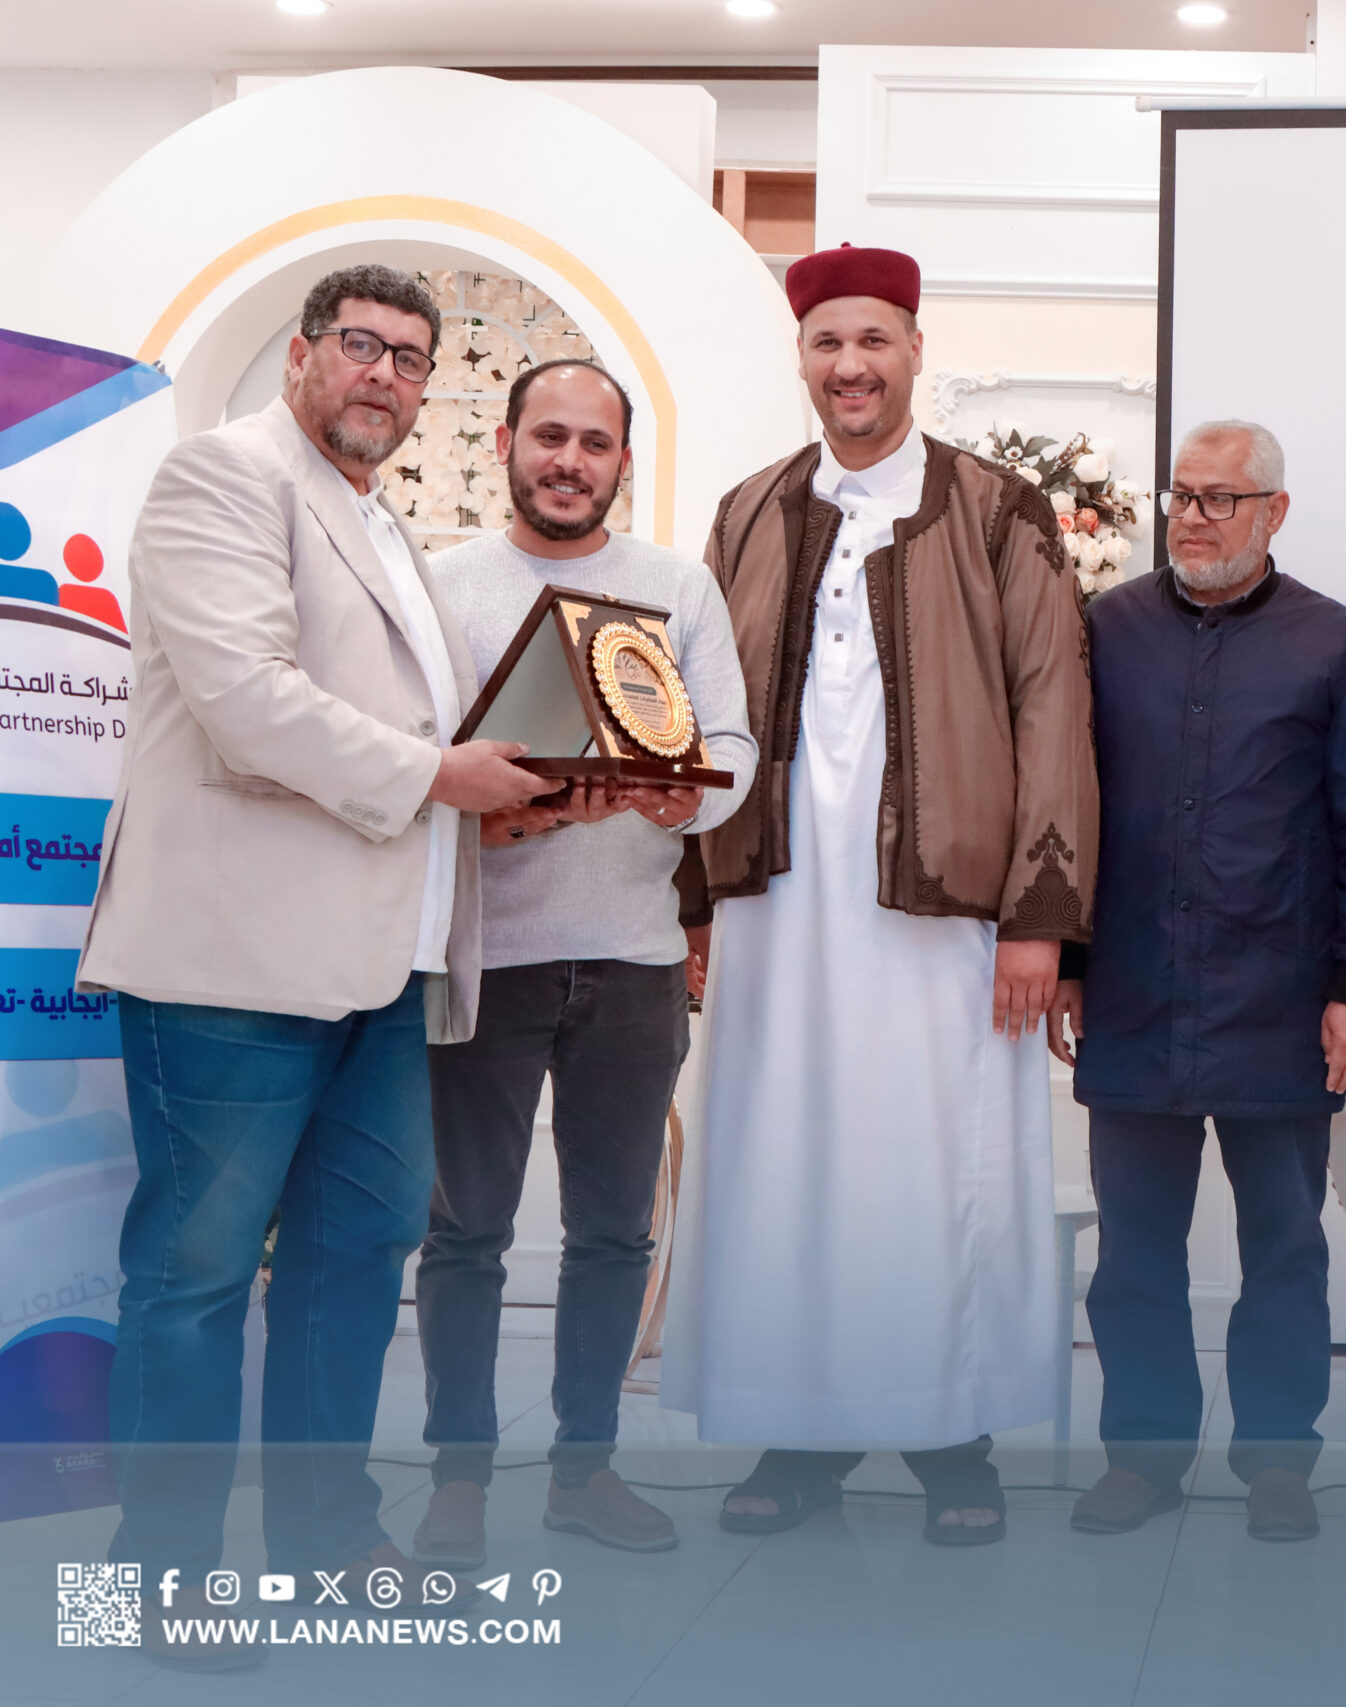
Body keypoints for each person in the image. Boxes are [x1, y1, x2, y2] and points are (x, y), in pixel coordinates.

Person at [77, 264, 548, 1669]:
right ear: (300, 355)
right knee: (197, 1278)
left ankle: (329, 1539)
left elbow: (409, 735)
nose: (384, 374)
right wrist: (444, 776)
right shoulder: (225, 478)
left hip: (381, 971)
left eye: (411, 358)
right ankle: (159, 1575)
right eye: (360, 345)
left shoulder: (384, 522)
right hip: (229, 966)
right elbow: (246, 703)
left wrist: (505, 793)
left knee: (355, 1261)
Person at [658, 245, 1097, 1545]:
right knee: (781, 1163)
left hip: (946, 908)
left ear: (914, 352)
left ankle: (953, 1438)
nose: (850, 366)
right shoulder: (747, 510)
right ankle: (799, 1434)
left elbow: (1053, 708)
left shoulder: (998, 508)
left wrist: (1039, 917)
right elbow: (693, 711)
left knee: (938, 1166)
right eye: (827, 343)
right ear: (802, 358)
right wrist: (695, 899)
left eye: (873, 341)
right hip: (773, 907)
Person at [408, 359, 756, 1568]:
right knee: (466, 1235)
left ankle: (584, 1470)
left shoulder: (676, 587)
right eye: (548, 436)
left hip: (633, 962)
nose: (569, 461)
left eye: (593, 443)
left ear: (623, 460)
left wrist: (685, 802)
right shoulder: (442, 584)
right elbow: (409, 757)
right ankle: (458, 1480)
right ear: (506, 442)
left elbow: (732, 743)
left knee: (614, 1235)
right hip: (484, 957)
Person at [1050, 420, 1346, 1542]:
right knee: (1134, 1257)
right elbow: (1068, 805)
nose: (1194, 518)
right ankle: (1144, 1461)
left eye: (1221, 498)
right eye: (1182, 496)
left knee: (1286, 1250)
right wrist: (1068, 958)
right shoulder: (1108, 629)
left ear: (1274, 512)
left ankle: (1278, 1465)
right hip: (1133, 993)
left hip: (1281, 1001)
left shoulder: (1334, 643)